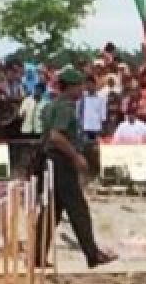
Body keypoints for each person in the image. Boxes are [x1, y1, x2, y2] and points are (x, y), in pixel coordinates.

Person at [35, 68, 117, 269]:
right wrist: (76, 156)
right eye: (78, 85)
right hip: (62, 162)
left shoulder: (50, 106)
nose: (81, 89)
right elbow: (57, 136)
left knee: (50, 212)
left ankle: (37, 255)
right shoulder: (65, 108)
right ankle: (92, 254)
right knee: (78, 210)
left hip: (50, 161)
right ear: (69, 87)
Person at [79, 75, 108, 142]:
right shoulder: (82, 97)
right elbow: (79, 111)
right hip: (85, 127)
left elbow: (103, 113)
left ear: (95, 84)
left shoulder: (101, 97)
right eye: (87, 84)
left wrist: (102, 127)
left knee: (95, 147)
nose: (89, 86)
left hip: (96, 127)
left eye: (90, 84)